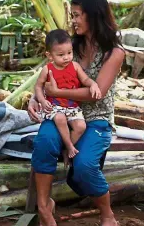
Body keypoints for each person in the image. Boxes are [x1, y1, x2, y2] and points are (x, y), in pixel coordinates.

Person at [28, 0, 125, 226]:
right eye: (73, 15)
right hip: (61, 112)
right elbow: (44, 77)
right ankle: (44, 208)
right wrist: (34, 97)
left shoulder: (114, 53)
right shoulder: (70, 45)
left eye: (78, 15)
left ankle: (107, 215)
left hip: (96, 119)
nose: (73, 21)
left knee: (83, 167)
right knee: (43, 144)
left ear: (94, 15)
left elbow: (97, 93)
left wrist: (56, 91)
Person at [34, 29, 101, 166]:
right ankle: (70, 146)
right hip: (54, 106)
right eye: (61, 55)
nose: (66, 57)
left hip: (72, 106)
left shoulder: (75, 67)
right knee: (60, 118)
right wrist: (41, 100)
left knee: (81, 126)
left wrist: (93, 84)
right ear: (50, 55)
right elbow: (38, 87)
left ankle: (65, 149)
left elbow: (86, 79)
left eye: (69, 53)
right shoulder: (47, 69)